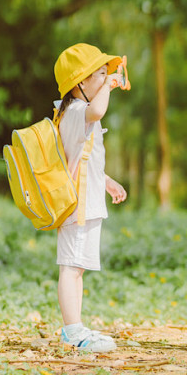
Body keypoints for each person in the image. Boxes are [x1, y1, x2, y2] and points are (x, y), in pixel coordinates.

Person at [53, 43, 128, 354]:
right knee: (71, 266)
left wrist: (107, 182)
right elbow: (98, 109)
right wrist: (111, 85)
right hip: (77, 204)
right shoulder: (76, 111)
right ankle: (72, 330)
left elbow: (82, 158)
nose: (107, 77)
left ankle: (76, 326)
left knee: (78, 267)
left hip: (88, 199)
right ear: (80, 82)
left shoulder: (80, 114)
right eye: (100, 73)